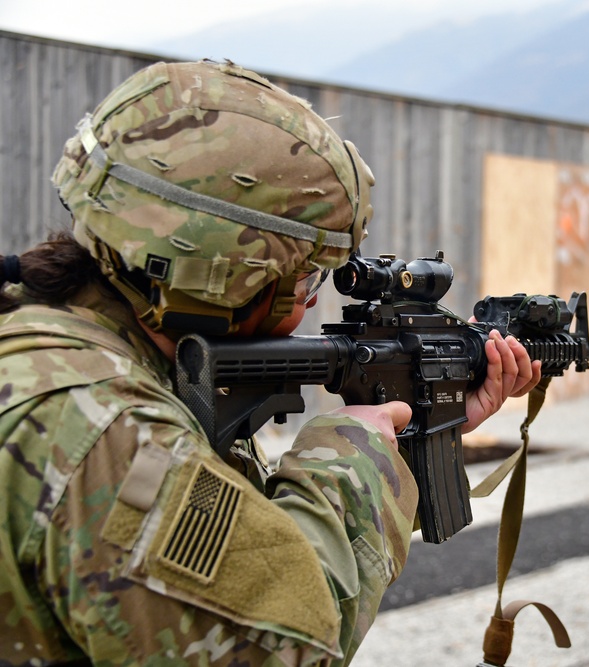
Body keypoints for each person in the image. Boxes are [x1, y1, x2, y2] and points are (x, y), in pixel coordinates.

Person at [0, 60, 540, 665]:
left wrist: (420, 432)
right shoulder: (103, 427)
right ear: (228, 279)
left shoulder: (53, 342)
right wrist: (353, 456)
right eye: (307, 279)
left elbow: (224, 551)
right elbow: (279, 647)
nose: (311, 301)